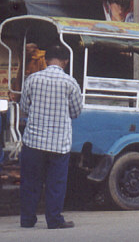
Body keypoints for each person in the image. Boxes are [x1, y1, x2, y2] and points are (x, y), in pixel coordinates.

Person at [19, 45, 82, 229]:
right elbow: (76, 111)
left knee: (30, 182)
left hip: (33, 141)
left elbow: (24, 106)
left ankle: (27, 220)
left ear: (46, 60)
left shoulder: (32, 79)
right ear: (65, 61)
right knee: (56, 183)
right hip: (58, 143)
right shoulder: (70, 83)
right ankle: (54, 220)